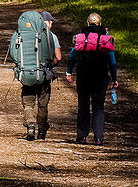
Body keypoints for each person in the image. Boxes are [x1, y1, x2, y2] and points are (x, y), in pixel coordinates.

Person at [65, 11, 118, 145]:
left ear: (87, 23)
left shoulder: (81, 37)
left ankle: (82, 136)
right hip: (100, 77)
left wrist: (69, 71)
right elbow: (112, 61)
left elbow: (72, 56)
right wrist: (114, 78)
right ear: (100, 24)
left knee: (83, 105)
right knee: (98, 107)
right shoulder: (105, 39)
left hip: (83, 76)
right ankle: (99, 138)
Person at [20, 10, 62, 141]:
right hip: (44, 75)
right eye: (51, 22)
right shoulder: (51, 36)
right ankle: (42, 131)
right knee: (42, 105)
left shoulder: (25, 34)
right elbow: (58, 57)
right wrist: (49, 66)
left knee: (28, 103)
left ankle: (30, 125)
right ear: (48, 23)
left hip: (27, 74)